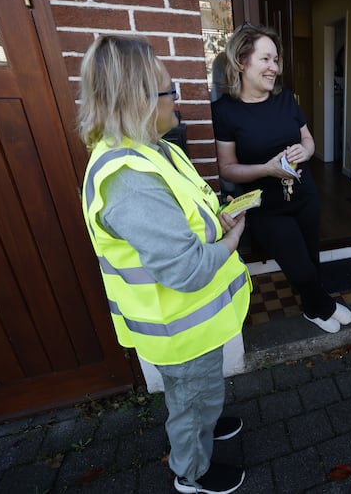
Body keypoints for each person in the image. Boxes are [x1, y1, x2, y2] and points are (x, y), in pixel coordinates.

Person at [78, 35, 250, 494]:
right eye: (169, 91)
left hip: (193, 324)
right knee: (192, 400)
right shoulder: (130, 181)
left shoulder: (158, 150)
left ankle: (204, 424)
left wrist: (218, 215)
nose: (177, 101)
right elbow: (187, 270)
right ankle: (191, 472)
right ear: (137, 100)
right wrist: (232, 239)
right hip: (178, 327)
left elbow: (188, 215)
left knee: (197, 394)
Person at [212, 23, 351, 334]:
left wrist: (304, 152)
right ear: (241, 62)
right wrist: (266, 169)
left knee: (310, 258)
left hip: (304, 194)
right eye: (265, 59)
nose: (274, 67)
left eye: (275, 60)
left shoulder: (287, 99)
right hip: (265, 204)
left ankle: (311, 308)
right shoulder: (224, 111)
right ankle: (323, 306)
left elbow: (308, 140)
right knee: (298, 266)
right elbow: (227, 168)